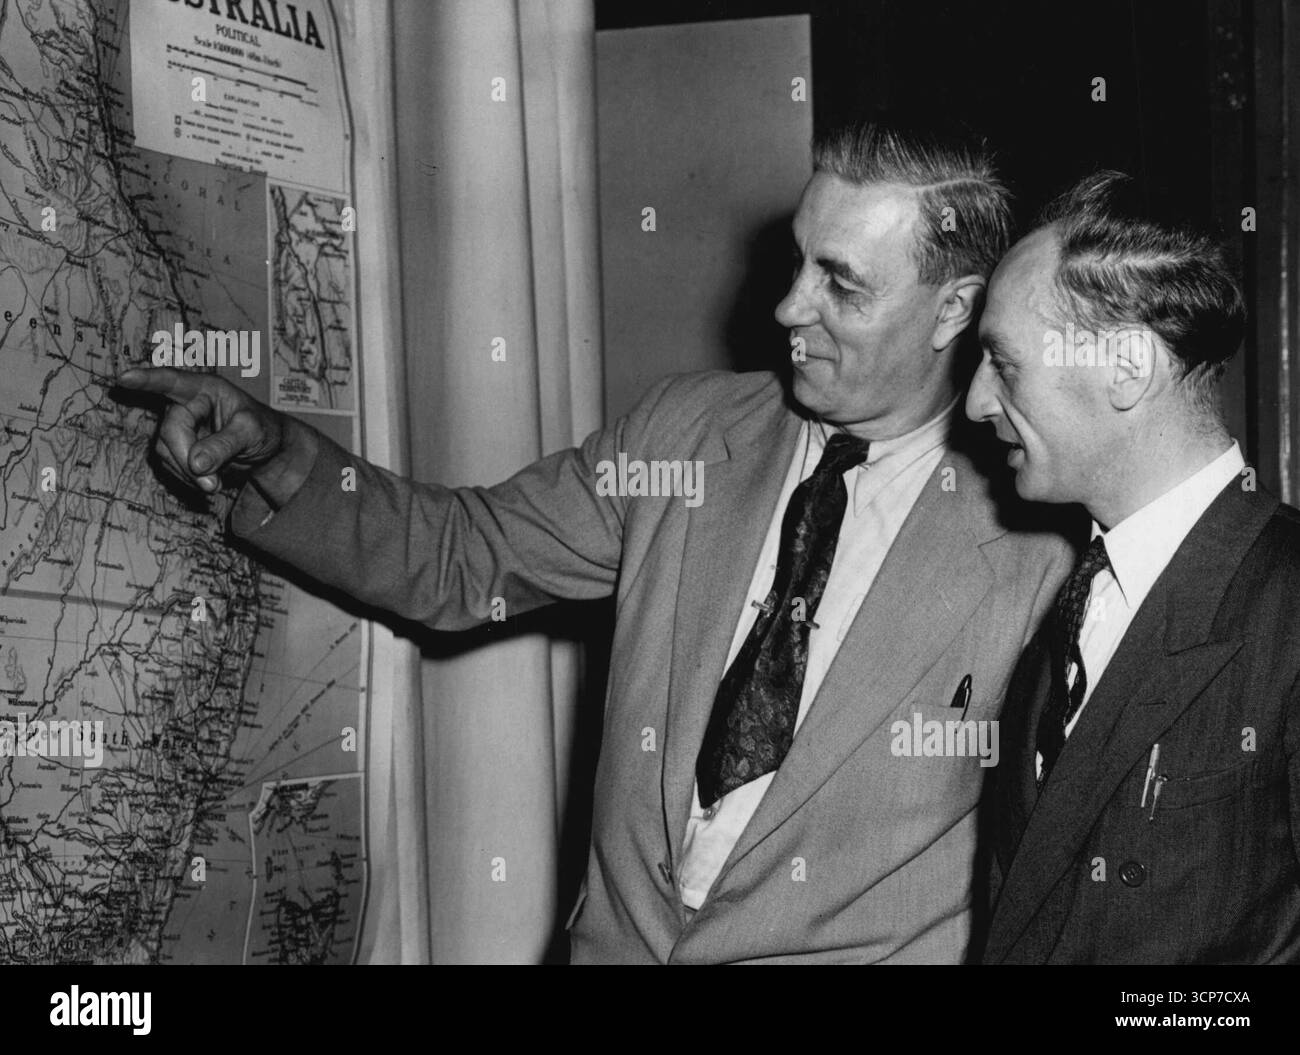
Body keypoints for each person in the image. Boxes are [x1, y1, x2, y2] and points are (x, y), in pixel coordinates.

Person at [115, 123, 1071, 964]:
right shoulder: (683, 436)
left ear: (954, 311)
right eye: (796, 262)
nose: (788, 308)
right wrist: (279, 453)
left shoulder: (1040, 541)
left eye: (842, 286)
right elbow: (463, 555)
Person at [966, 171, 1300, 964]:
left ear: (1126, 369)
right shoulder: (1078, 601)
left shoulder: (1287, 604)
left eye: (1004, 365)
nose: (976, 401)